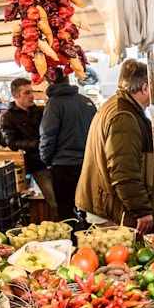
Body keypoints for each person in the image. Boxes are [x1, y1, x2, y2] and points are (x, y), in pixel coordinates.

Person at [76, 60, 154, 236]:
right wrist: (142, 210)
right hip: (110, 209)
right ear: (145, 88)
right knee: (118, 253)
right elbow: (123, 171)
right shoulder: (124, 116)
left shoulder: (117, 106)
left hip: (106, 202)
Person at [40, 74, 98, 226]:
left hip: (63, 165)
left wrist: (46, 159)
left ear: (49, 80)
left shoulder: (54, 104)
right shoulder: (86, 101)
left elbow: (47, 134)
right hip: (88, 164)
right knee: (90, 209)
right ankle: (91, 237)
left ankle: (71, 239)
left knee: (66, 211)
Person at [1, 78, 58, 215]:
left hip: (55, 161)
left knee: (67, 198)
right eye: (27, 93)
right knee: (55, 201)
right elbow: (12, 143)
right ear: (15, 95)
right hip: (37, 164)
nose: (32, 96)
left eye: (32, 92)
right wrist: (35, 144)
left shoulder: (41, 111)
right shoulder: (8, 117)